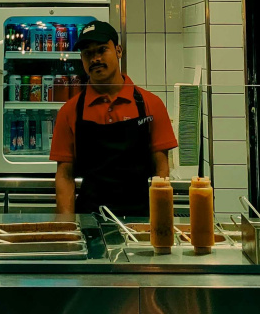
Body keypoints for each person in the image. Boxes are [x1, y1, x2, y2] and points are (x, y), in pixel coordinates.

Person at [50, 21, 179, 216]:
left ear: (118, 51)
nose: (95, 59)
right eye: (88, 53)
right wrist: (67, 227)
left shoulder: (150, 104)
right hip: (90, 220)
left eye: (102, 50)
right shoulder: (70, 111)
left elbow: (161, 169)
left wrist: (160, 221)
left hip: (140, 219)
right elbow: (65, 175)